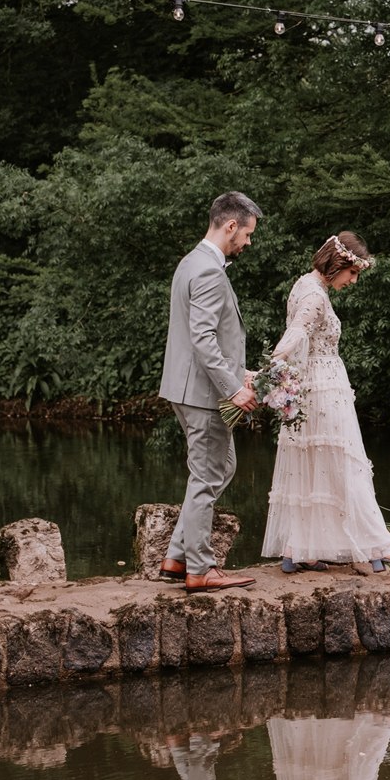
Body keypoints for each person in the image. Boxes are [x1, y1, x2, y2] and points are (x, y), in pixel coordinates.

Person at [260, 231, 390, 573]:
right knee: (348, 466)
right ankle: (381, 546)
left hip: (312, 387)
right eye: (353, 272)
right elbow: (296, 332)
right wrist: (269, 370)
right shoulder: (315, 296)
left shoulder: (303, 284)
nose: (353, 281)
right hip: (324, 390)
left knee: (313, 466)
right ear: (337, 264)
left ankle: (298, 547)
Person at [157, 192, 262, 592]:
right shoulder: (209, 271)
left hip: (187, 388)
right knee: (205, 477)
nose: (248, 242)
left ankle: (176, 556)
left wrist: (241, 372)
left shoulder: (191, 262)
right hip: (203, 394)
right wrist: (233, 389)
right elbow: (203, 339)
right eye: (247, 234)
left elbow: (198, 337)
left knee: (223, 466)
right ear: (231, 226)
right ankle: (200, 569)